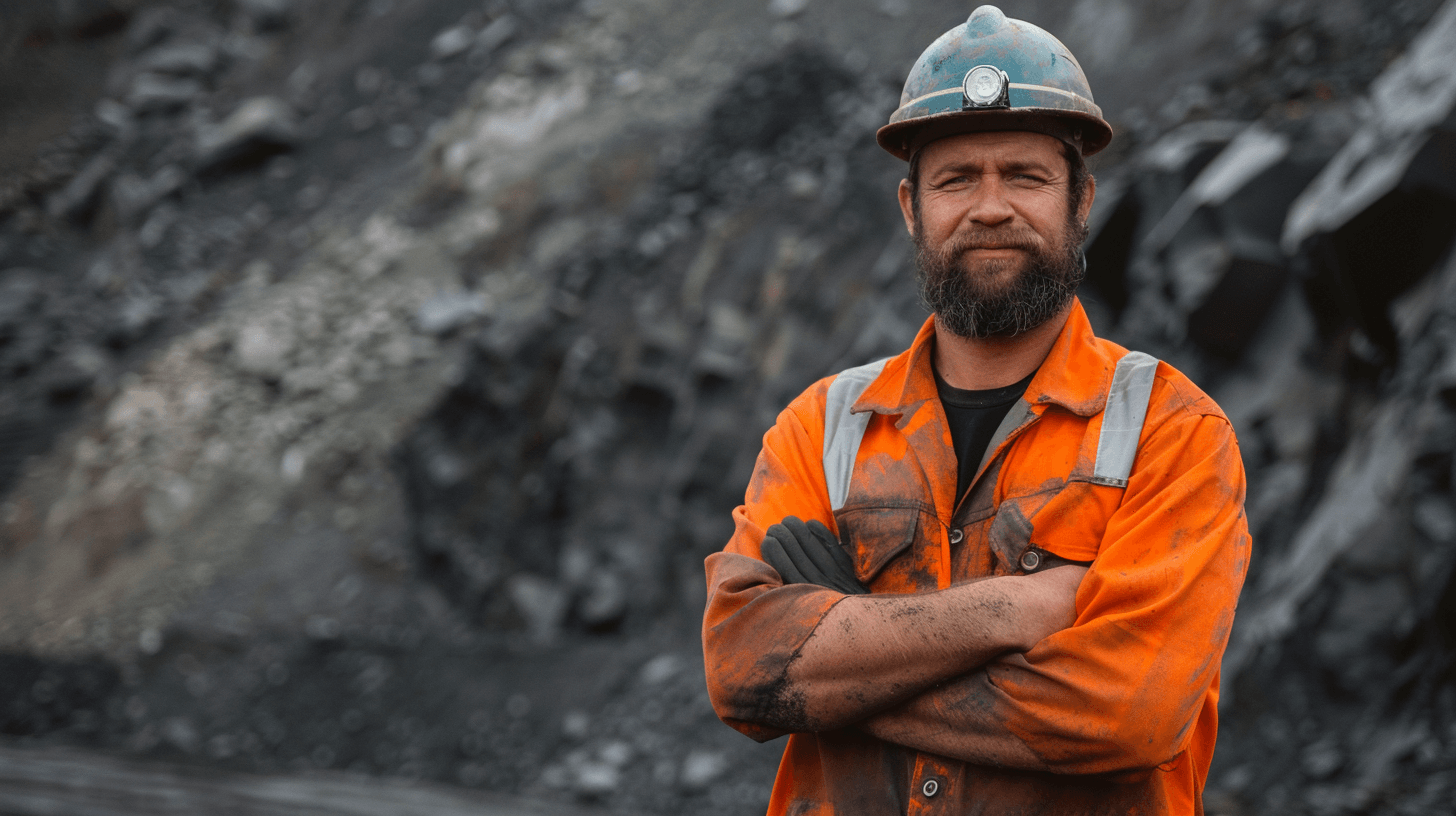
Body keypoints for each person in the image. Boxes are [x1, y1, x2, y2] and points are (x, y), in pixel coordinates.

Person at [701, 6, 1251, 814]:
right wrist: (1021, 607)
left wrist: (848, 649)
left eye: (1024, 176)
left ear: (1081, 200)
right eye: (957, 179)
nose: (991, 207)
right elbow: (744, 669)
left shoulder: (1173, 434)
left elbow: (1128, 713)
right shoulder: (822, 429)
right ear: (910, 206)